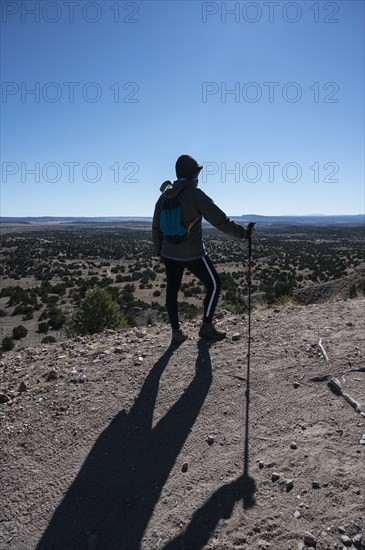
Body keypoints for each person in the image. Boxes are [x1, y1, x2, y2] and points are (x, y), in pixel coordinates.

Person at [152, 154, 254, 345]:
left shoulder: (164, 196)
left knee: (172, 290)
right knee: (214, 284)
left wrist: (159, 252)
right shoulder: (196, 195)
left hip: (169, 252)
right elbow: (220, 221)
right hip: (192, 252)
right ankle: (206, 327)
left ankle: (176, 332)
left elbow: (156, 226)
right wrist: (244, 234)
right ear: (193, 174)